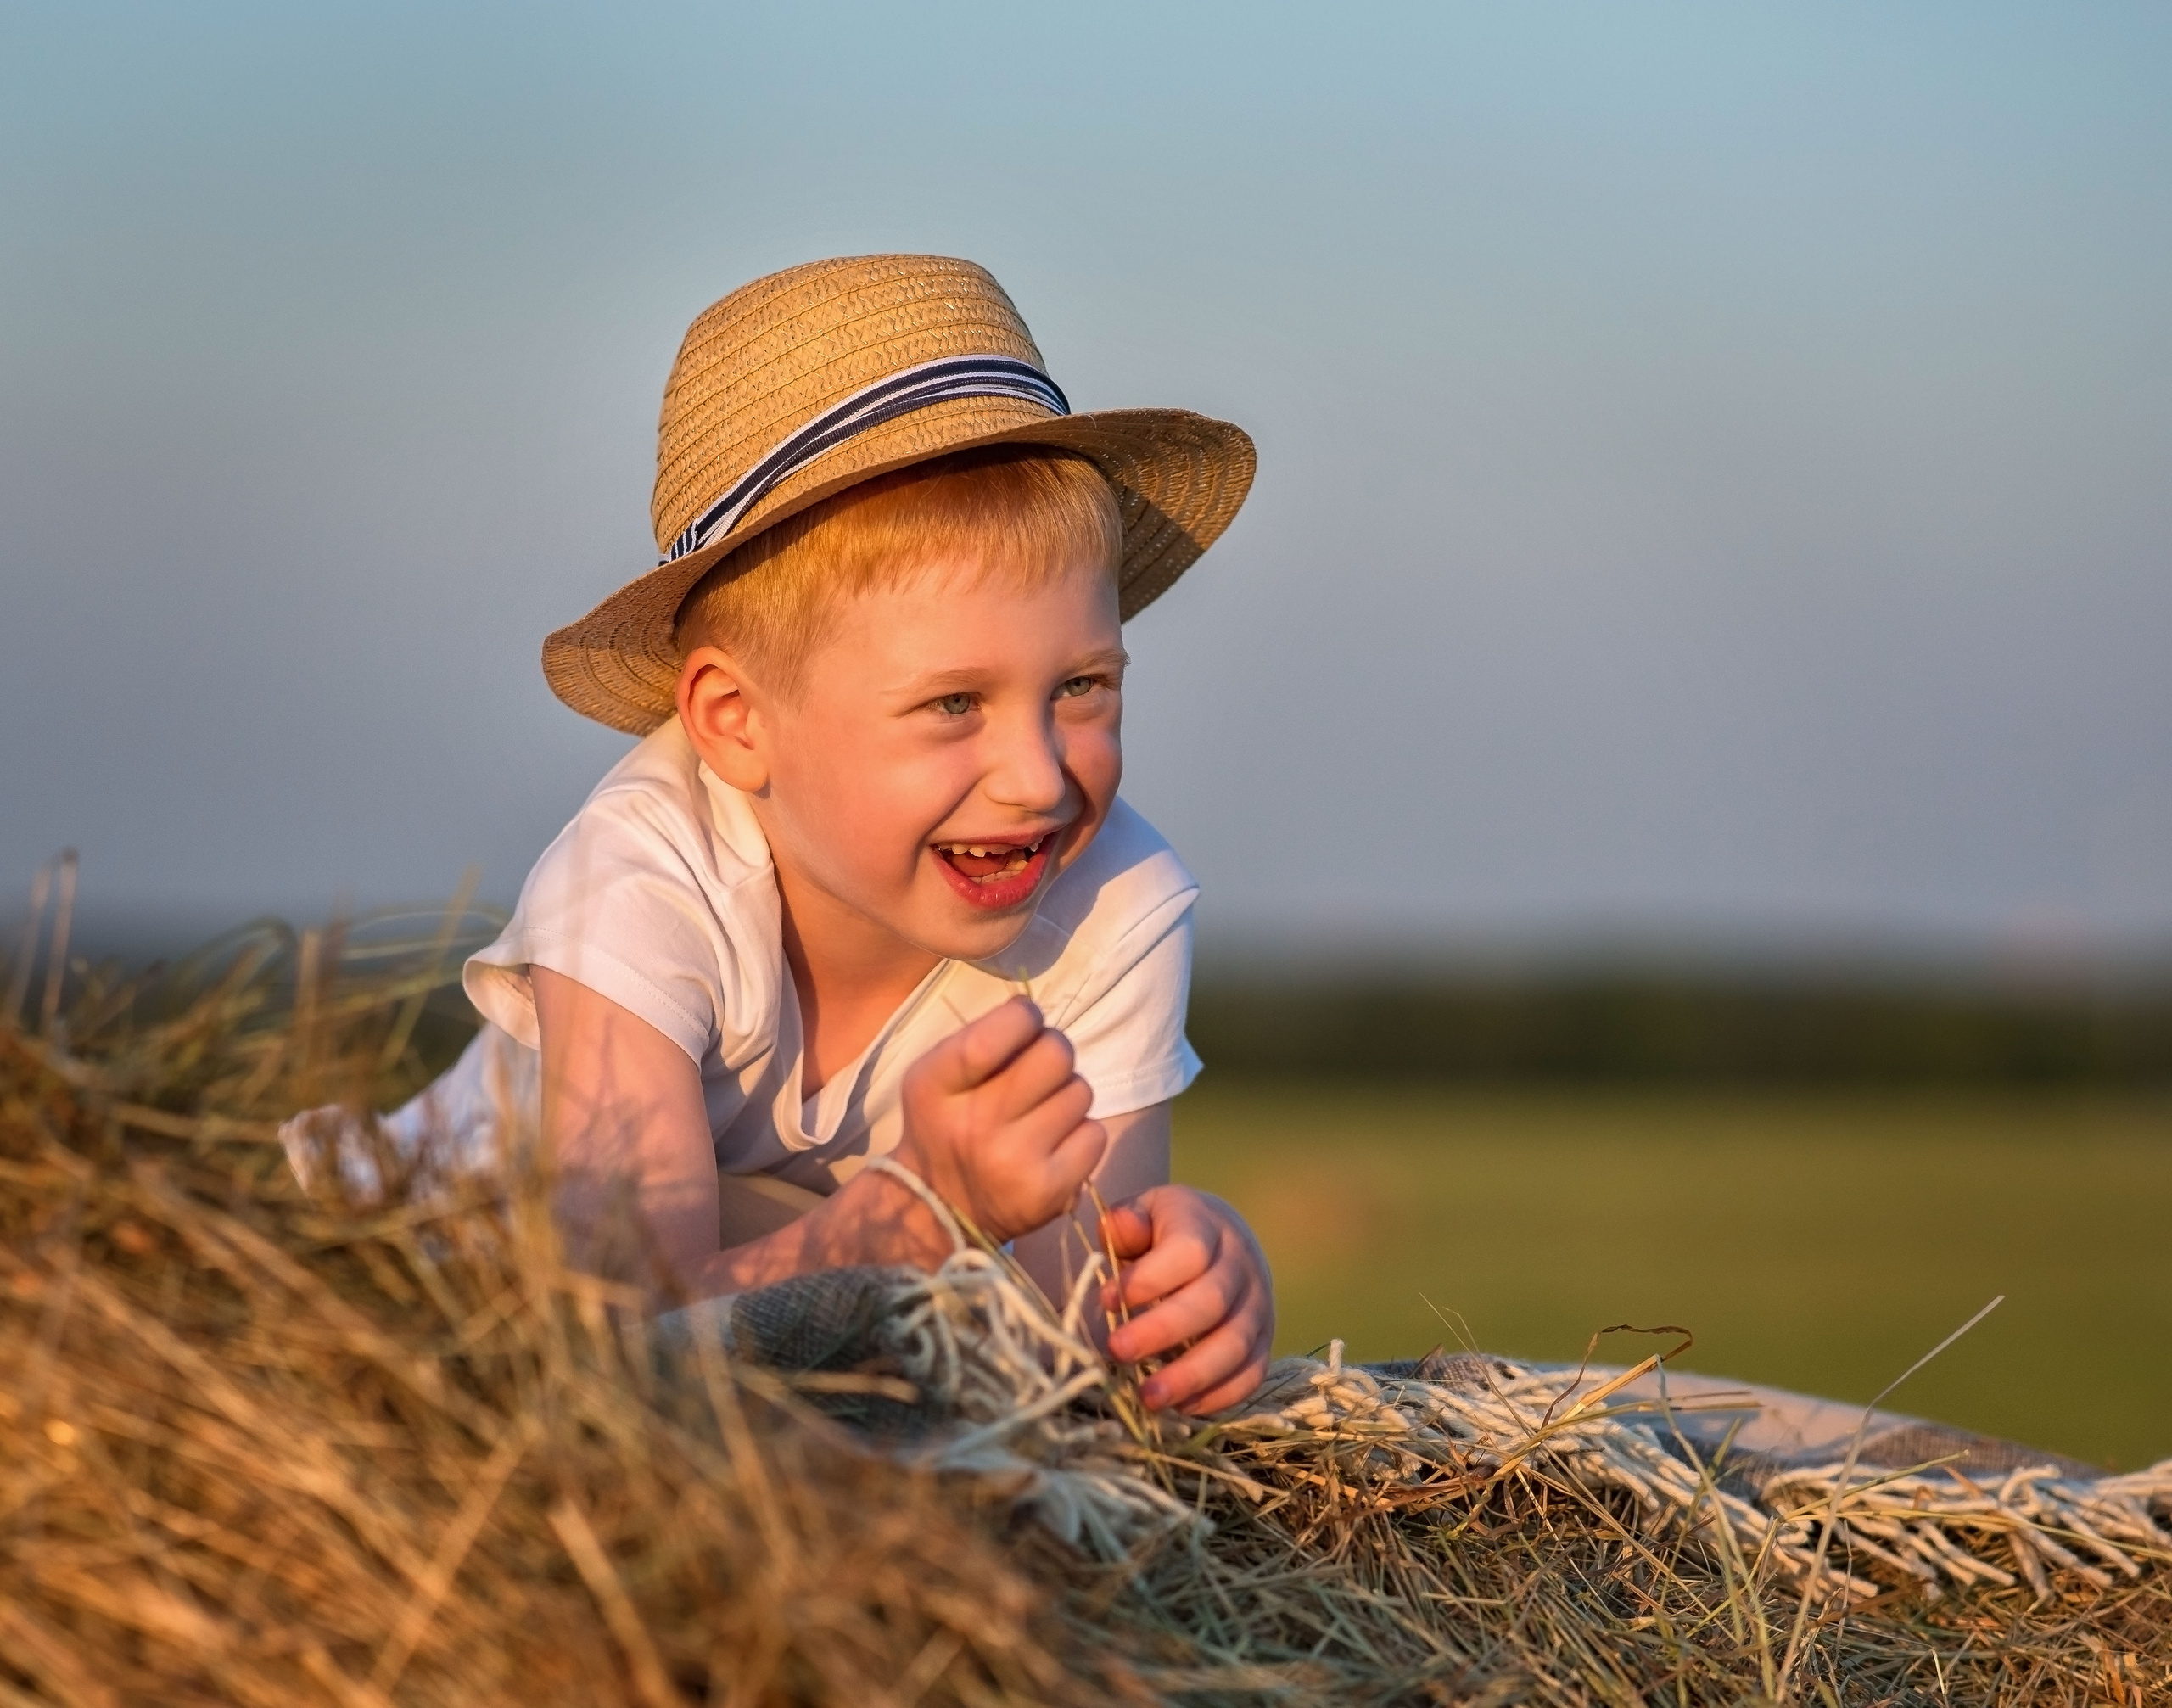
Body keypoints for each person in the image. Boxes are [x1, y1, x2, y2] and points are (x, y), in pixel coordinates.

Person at [396, 255, 1271, 1414]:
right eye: (955, 703)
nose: (1038, 775)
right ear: (737, 723)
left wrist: (1182, 1288)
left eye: (1083, 686)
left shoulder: (1117, 903)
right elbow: (617, 1341)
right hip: (437, 1277)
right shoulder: (641, 882)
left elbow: (1065, 1361)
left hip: (807, 1336)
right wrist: (910, 1216)